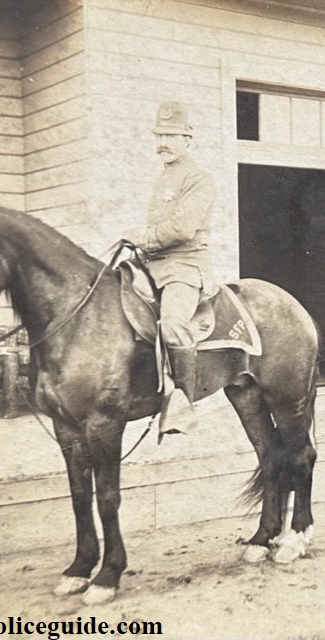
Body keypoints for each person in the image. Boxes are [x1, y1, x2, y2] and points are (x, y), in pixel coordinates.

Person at [122, 101, 217, 437]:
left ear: (188, 139)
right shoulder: (165, 176)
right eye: (160, 135)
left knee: (174, 324)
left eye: (172, 135)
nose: (163, 142)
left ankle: (182, 405)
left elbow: (183, 229)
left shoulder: (199, 179)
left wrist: (144, 238)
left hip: (184, 267)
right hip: (153, 264)